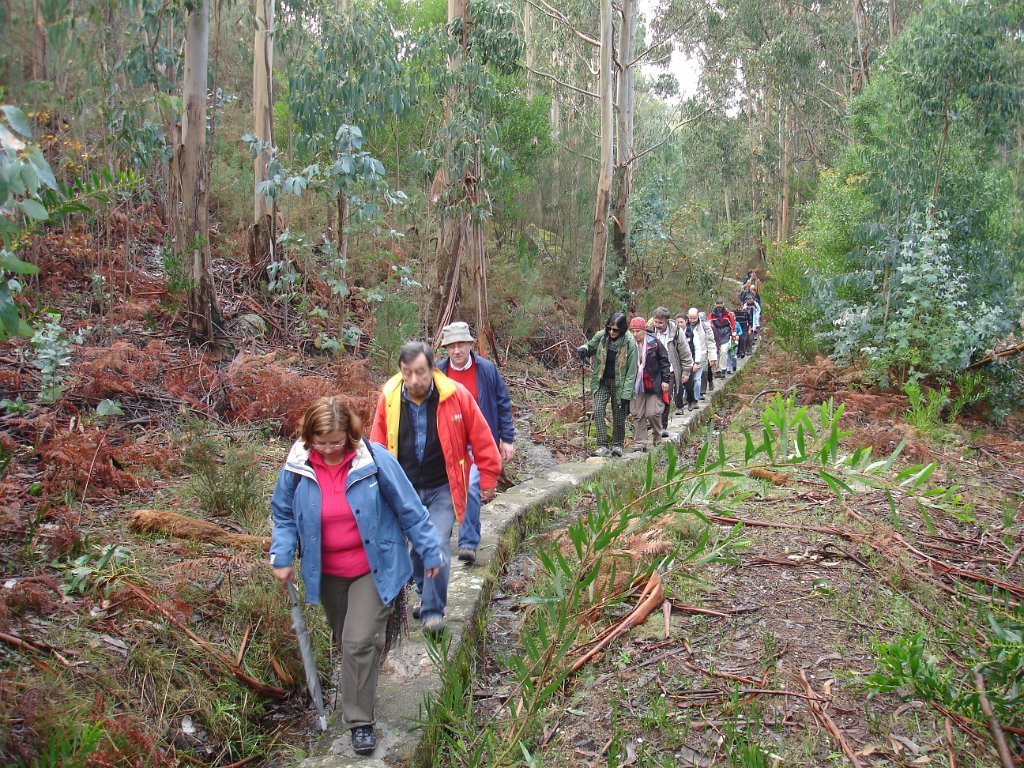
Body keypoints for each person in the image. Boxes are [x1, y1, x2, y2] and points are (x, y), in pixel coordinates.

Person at [269, 396, 442, 757]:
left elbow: (410, 508)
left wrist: (429, 551)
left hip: (374, 567)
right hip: (327, 573)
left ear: (350, 433)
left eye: (337, 440)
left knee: (358, 640)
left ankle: (359, 723)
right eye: (322, 441)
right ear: (309, 437)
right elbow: (283, 515)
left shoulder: (373, 459)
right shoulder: (298, 466)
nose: (330, 449)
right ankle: (363, 674)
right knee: (347, 638)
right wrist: (282, 554)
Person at [369, 341, 502, 636]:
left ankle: (432, 611)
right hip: (406, 490)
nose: (414, 380)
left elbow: (481, 437)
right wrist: (372, 486)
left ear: (432, 369)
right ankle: (424, 592)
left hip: (443, 485)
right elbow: (377, 445)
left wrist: (489, 477)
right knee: (415, 551)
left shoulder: (456, 396)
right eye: (407, 373)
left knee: (438, 543)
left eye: (420, 373)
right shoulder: (390, 398)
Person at [436, 321, 515, 565]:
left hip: (478, 441)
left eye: (461, 345)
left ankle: (468, 542)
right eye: (451, 346)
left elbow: (503, 403)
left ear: (470, 345)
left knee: (470, 486)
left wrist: (507, 439)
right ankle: (443, 535)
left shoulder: (486, 370)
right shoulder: (439, 373)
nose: (457, 351)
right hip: (449, 441)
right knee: (446, 490)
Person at [577, 312, 639, 457]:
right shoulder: (602, 336)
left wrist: (626, 393)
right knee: (598, 411)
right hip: (602, 381)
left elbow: (631, 371)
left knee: (618, 416)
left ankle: (617, 445)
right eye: (609, 328)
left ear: (622, 329)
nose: (611, 332)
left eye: (615, 330)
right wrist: (584, 349)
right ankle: (602, 445)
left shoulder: (630, 342)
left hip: (620, 384)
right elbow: (590, 346)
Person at [628, 316, 671, 452]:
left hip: (652, 382)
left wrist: (665, 380)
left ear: (644, 331)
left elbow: (665, 362)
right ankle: (640, 442)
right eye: (633, 331)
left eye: (638, 331)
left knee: (652, 413)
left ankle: (657, 434)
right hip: (636, 384)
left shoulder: (655, 343)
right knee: (637, 413)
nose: (635, 334)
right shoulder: (628, 344)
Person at [647, 307, 692, 432]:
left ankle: (662, 425)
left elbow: (685, 352)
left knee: (665, 396)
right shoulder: (649, 329)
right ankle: (653, 422)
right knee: (651, 397)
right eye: (656, 322)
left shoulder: (676, 332)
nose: (657, 325)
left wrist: (686, 371)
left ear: (666, 321)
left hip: (670, 369)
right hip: (652, 370)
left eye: (660, 323)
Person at [682, 308, 716, 411]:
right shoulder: (683, 327)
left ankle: (695, 399)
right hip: (687, 359)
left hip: (701, 356)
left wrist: (713, 357)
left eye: (694, 318)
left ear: (698, 317)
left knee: (697, 379)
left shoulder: (705, 326)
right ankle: (687, 398)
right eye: (690, 318)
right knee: (687, 380)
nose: (692, 320)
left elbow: (710, 341)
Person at [708, 300, 736, 379]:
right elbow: (707, 325)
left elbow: (732, 324)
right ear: (715, 306)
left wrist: (734, 334)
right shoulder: (712, 315)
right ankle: (717, 370)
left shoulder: (728, 314)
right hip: (715, 335)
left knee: (724, 351)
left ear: (723, 306)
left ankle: (723, 369)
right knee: (716, 353)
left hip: (726, 334)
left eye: (720, 307)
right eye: (718, 307)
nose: (719, 308)